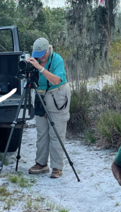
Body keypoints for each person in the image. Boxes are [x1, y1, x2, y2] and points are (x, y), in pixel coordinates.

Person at [26, 38, 70, 179]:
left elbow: (56, 80)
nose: (40, 57)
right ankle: (41, 163)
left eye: (42, 54)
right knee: (42, 132)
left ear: (48, 50)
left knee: (56, 133)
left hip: (57, 95)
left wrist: (40, 68)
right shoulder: (35, 60)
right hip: (41, 95)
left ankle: (57, 167)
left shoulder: (57, 59)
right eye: (37, 54)